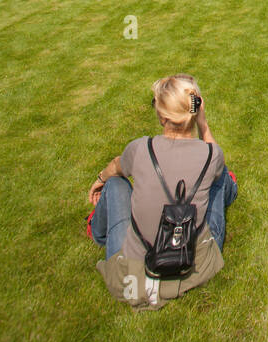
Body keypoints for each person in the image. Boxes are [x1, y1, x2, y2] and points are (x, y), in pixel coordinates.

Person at [87, 74, 237, 309]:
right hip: (192, 265)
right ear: (195, 110)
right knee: (220, 176)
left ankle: (97, 230)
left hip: (136, 275)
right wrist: (203, 125)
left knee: (115, 183)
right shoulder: (211, 155)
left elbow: (115, 168)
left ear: (161, 115)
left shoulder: (140, 149)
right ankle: (230, 185)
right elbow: (213, 151)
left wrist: (100, 179)